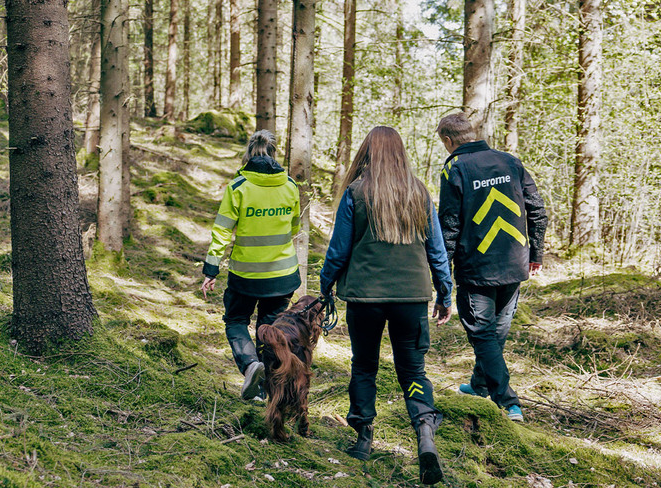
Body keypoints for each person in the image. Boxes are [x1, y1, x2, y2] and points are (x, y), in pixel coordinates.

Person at [319, 126, 452, 485]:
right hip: (412, 297)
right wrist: (444, 293)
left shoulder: (356, 192)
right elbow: (436, 250)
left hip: (365, 297)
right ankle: (424, 429)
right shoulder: (419, 191)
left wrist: (325, 285)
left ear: (369, 151)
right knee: (413, 370)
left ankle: (363, 438)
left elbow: (338, 250)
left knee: (364, 366)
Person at [435, 113, 548, 422]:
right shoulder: (510, 161)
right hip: (514, 261)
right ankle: (479, 384)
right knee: (495, 331)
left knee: (483, 334)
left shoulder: (454, 169)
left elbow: (449, 226)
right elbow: (537, 210)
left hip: (478, 267)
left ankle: (508, 401)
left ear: (448, 141)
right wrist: (536, 253)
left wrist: (442, 279)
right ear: (473, 133)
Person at [200, 130, 301, 402]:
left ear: (248, 153)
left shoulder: (238, 188)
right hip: (282, 277)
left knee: (235, 320)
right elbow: (295, 227)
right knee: (269, 327)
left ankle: (249, 366)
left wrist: (211, 270)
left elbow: (221, 233)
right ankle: (266, 386)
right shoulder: (290, 186)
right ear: (274, 154)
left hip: (246, 275)